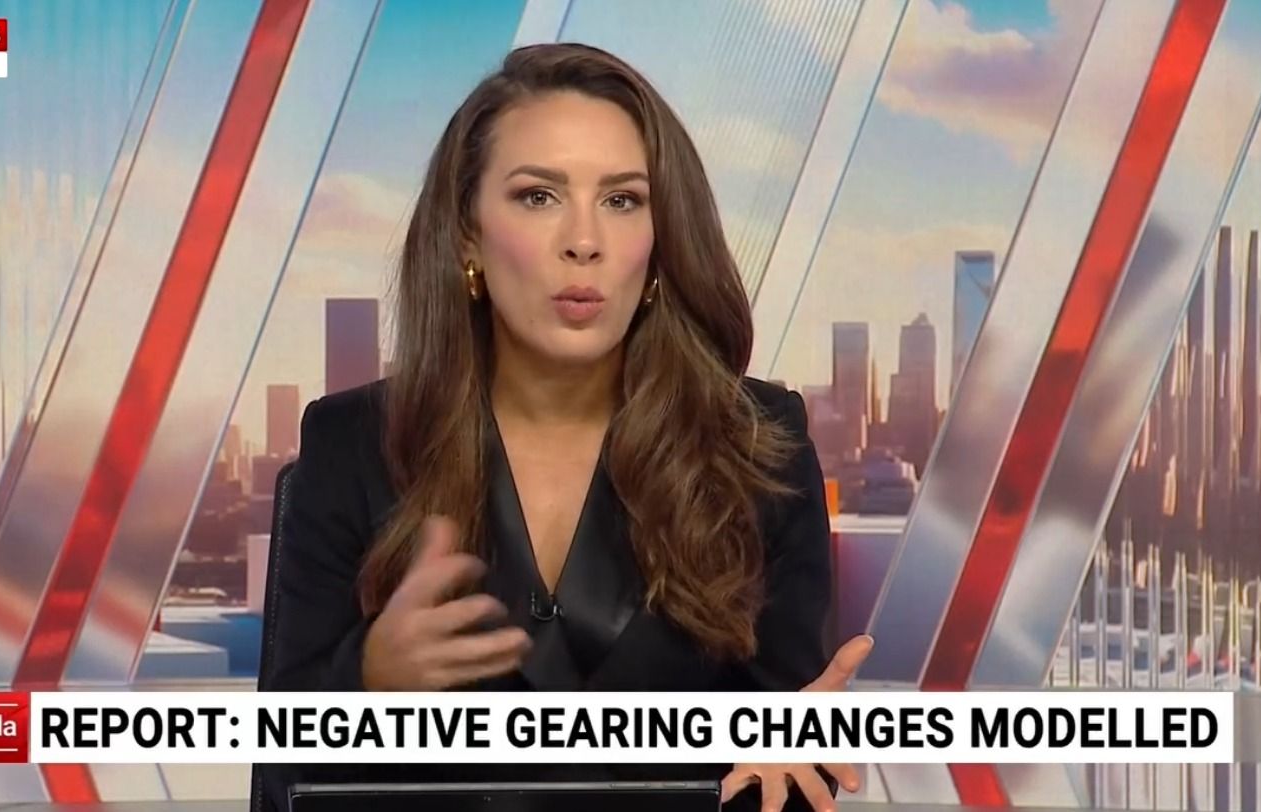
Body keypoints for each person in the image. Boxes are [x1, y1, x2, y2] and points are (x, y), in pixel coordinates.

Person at [259, 42, 874, 812]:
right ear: (467, 234)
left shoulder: (758, 446)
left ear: (659, 241)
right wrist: (368, 683)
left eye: (621, 200)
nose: (583, 241)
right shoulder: (352, 445)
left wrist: (795, 746)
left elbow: (785, 768)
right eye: (538, 196)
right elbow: (281, 781)